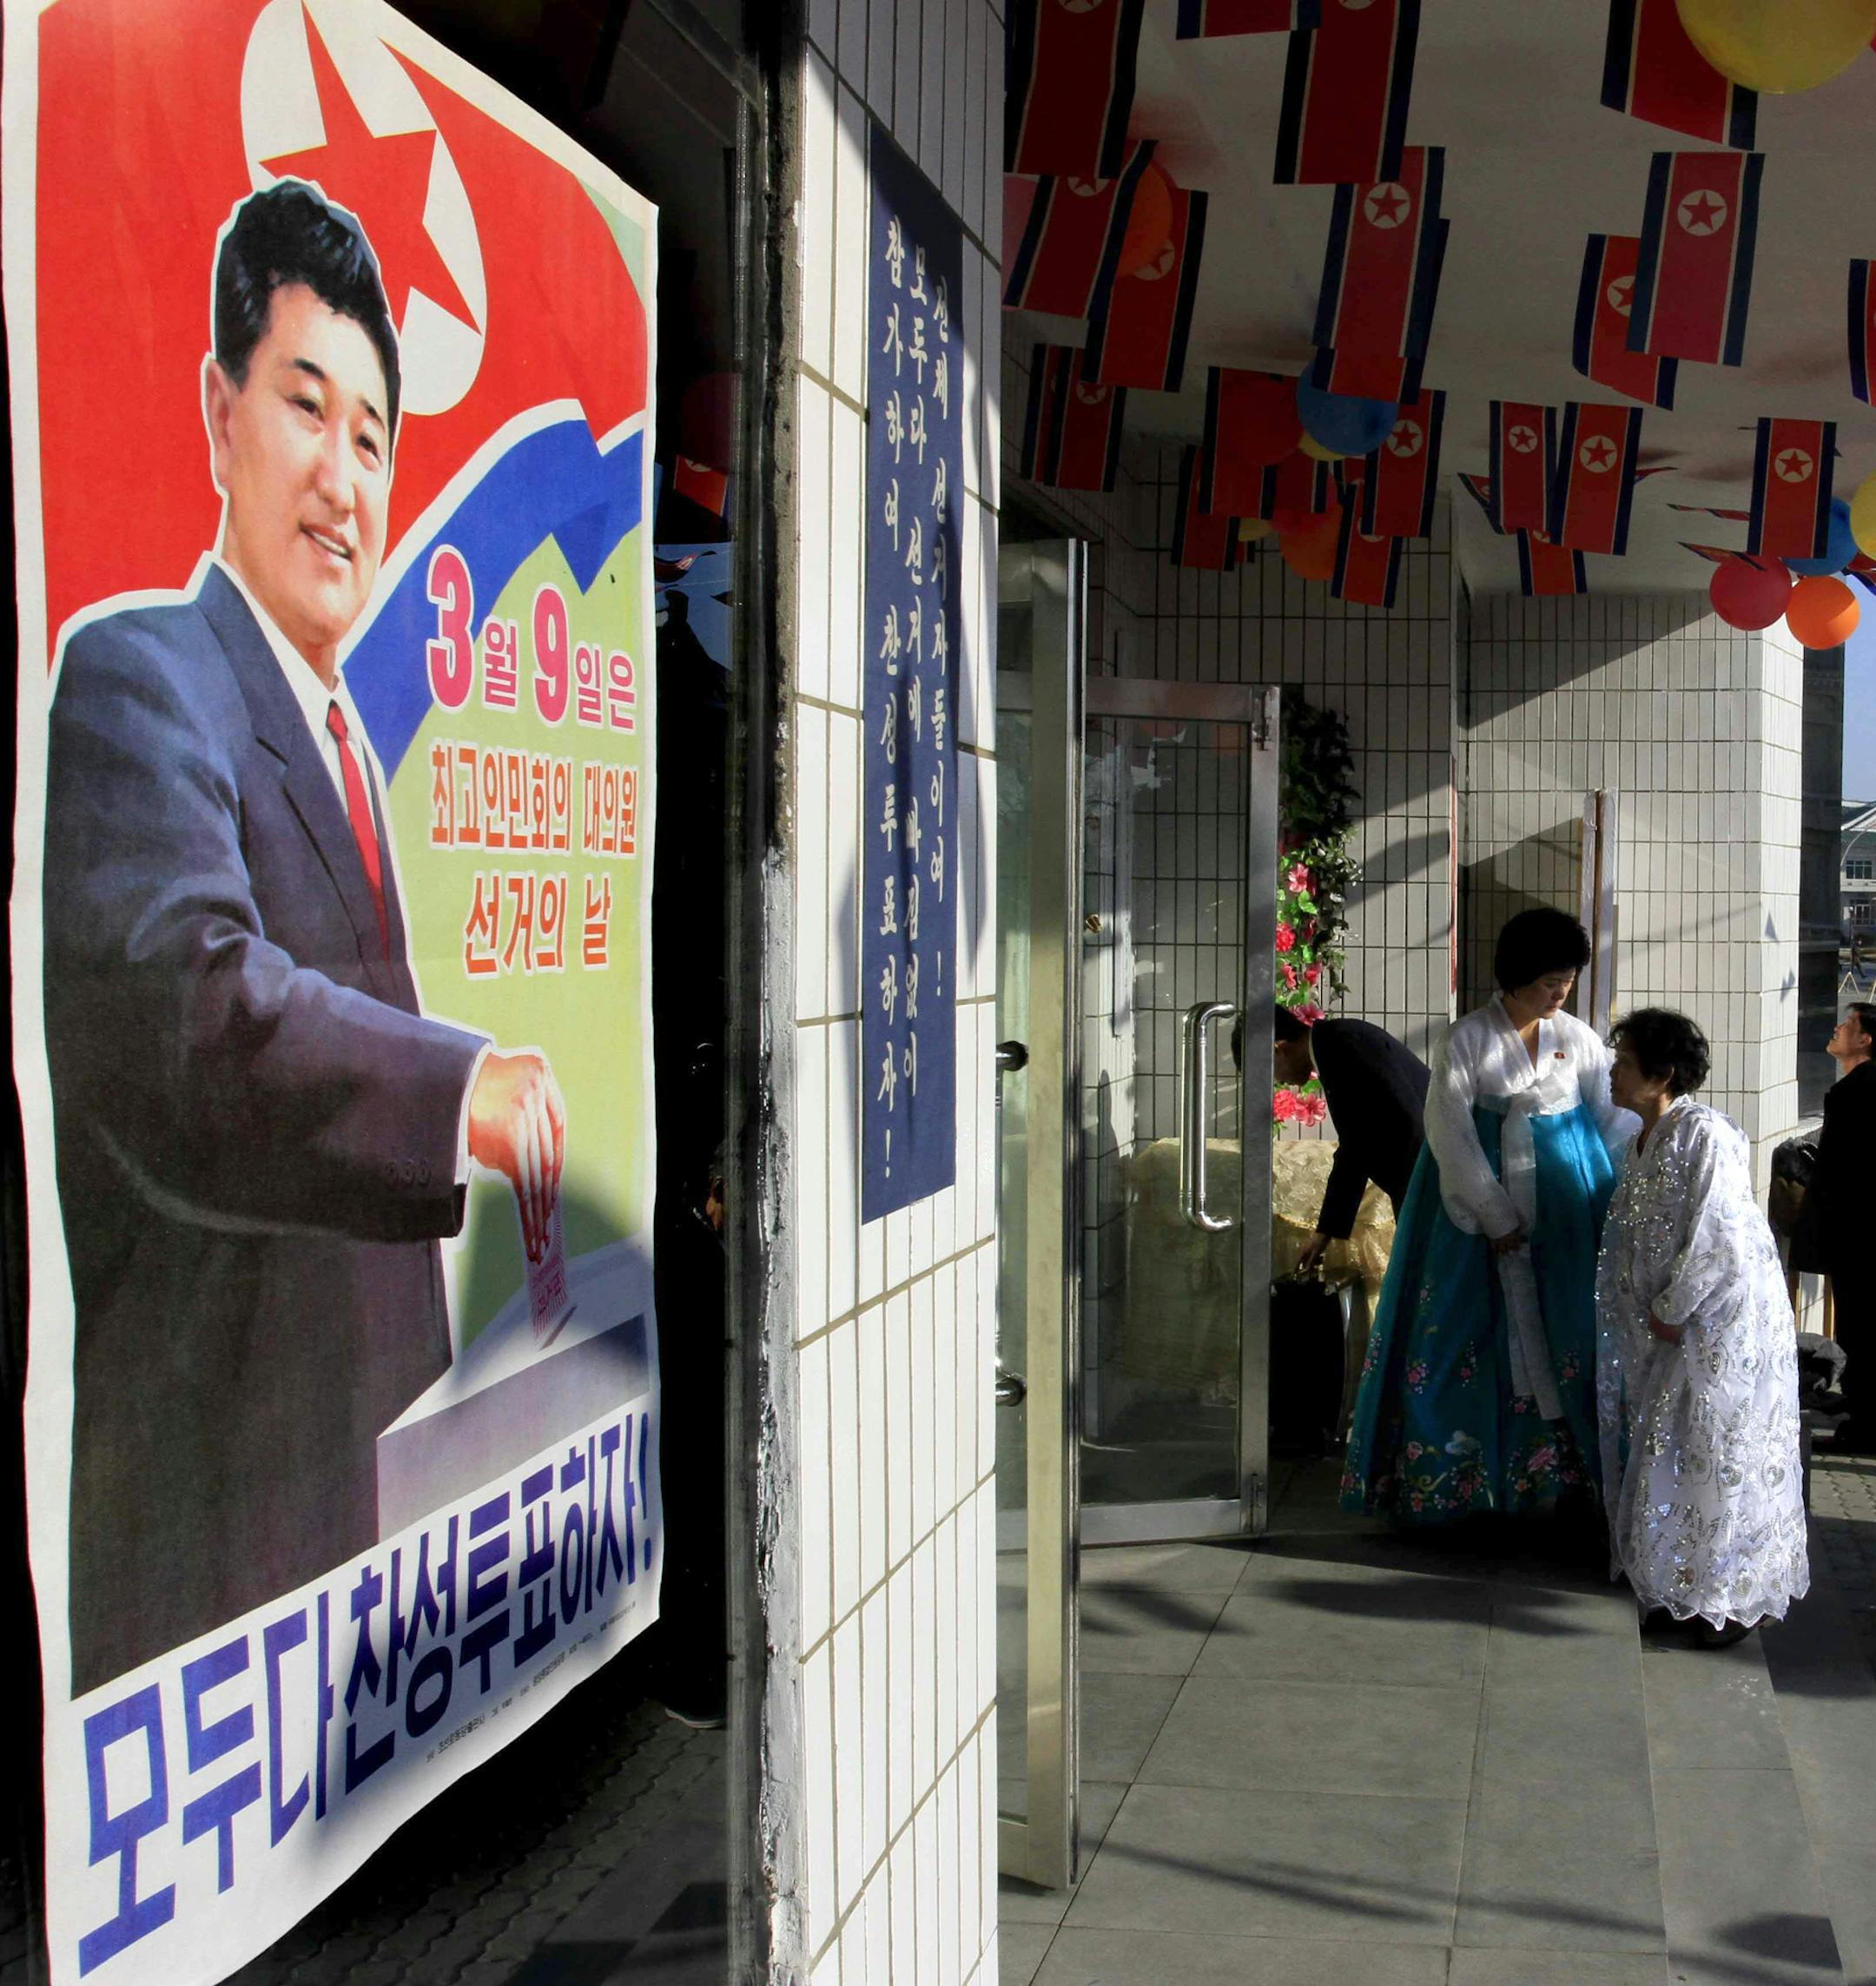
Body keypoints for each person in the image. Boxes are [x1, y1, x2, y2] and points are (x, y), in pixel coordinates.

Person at [44, 181, 564, 1691]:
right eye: (304, 407)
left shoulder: (340, 734)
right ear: (218, 414)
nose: (343, 478)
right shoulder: (144, 673)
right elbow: (198, 1006)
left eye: (373, 438)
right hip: (227, 1543)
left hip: (369, 1510)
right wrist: (456, 1083)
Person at [1341, 908, 1637, 1521]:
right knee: (1460, 1334)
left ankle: (1564, 1483)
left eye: (1567, 980)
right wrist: (1494, 1212)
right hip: (1473, 1217)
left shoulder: (1578, 1039)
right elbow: (1448, 1128)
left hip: (1563, 1214)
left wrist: (1619, 1194)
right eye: (1550, 980)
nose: (1561, 992)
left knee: (1571, 1330)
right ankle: (1457, 1485)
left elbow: (1609, 1120)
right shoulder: (1467, 1037)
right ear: (1517, 974)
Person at [1595, 1009, 1808, 1646]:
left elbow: (1720, 1234)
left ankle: (1728, 1597)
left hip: (1719, 1328)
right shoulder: (1638, 1140)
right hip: (1669, 1329)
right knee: (1673, 1450)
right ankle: (1675, 1582)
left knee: (1717, 1449)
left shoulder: (1705, 1132)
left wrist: (1674, 1306)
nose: (1612, 1071)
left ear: (1660, 1075)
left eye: (1624, 1063)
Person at [1271, 1005, 1431, 1276]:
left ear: (1278, 1048)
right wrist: (1326, 1230)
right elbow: (1356, 1142)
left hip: (1426, 1180)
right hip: (1425, 1177)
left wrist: (1414, 1206)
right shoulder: (1338, 1040)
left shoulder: (1340, 1046)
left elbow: (1361, 1143)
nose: (1281, 1080)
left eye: (1271, 1071)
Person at [1793, 1002, 1876, 1448]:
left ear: (1864, 1040)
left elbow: (1847, 1169)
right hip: (1859, 1234)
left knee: (1860, 1329)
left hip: (1858, 1237)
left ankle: (1864, 1428)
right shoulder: (1855, 1088)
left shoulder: (1857, 1092)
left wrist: (1813, 1173)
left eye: (1848, 1025)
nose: (1837, 1029)